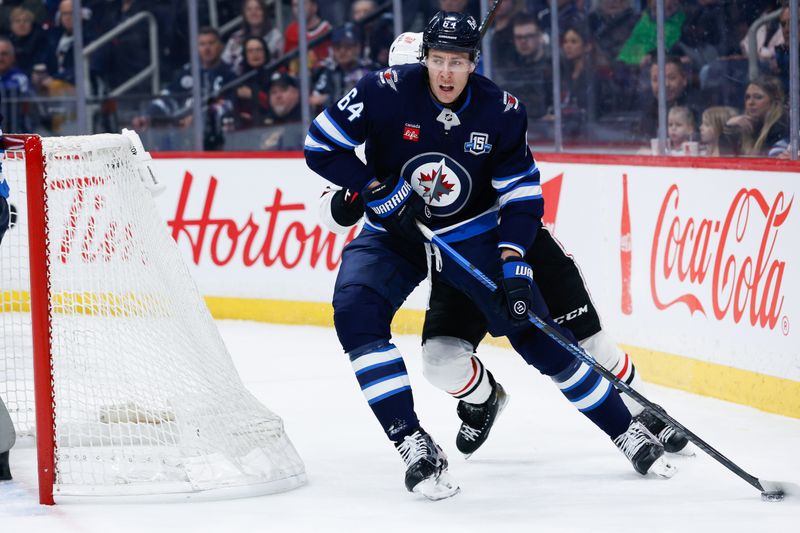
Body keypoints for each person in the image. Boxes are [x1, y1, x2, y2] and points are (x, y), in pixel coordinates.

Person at [306, 11, 673, 500]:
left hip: (470, 234)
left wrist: (514, 257)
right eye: (438, 60)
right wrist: (374, 188)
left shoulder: (501, 110)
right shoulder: (383, 90)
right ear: (424, 60)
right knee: (355, 313)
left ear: (473, 63)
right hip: (393, 233)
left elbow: (522, 194)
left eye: (457, 62)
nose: (446, 72)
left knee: (537, 333)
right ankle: (410, 441)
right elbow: (319, 145)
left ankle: (622, 428)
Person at [493, 14, 552, 121]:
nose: (523, 41)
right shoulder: (509, 64)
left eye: (529, 36)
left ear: (539, 37)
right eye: (519, 37)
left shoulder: (553, 65)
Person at [310, 23, 380, 111]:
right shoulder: (329, 70)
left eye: (348, 46)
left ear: (358, 47)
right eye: (338, 47)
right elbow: (314, 100)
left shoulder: (372, 70)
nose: (342, 51)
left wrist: (330, 99)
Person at [719, 76, 789, 157]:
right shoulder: (743, 125)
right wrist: (729, 128)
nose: (750, 102)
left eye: (758, 97)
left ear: (774, 101)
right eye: (747, 97)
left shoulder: (782, 128)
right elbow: (726, 157)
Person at [222, 0, 283, 75]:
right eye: (249, 9)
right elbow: (225, 64)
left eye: (258, 9)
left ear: (264, 12)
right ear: (244, 14)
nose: (253, 13)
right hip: (239, 82)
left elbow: (278, 64)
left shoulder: (275, 36)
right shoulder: (235, 38)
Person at [232, 36, 272, 129]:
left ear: (265, 52)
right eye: (250, 51)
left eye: (259, 50)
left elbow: (277, 103)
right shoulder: (239, 81)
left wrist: (254, 95)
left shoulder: (275, 75)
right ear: (245, 55)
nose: (255, 54)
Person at [283, 0, 332, 74]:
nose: (298, 8)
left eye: (303, 4)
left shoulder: (327, 29)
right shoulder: (290, 31)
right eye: (295, 5)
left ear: (314, 7)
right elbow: (286, 64)